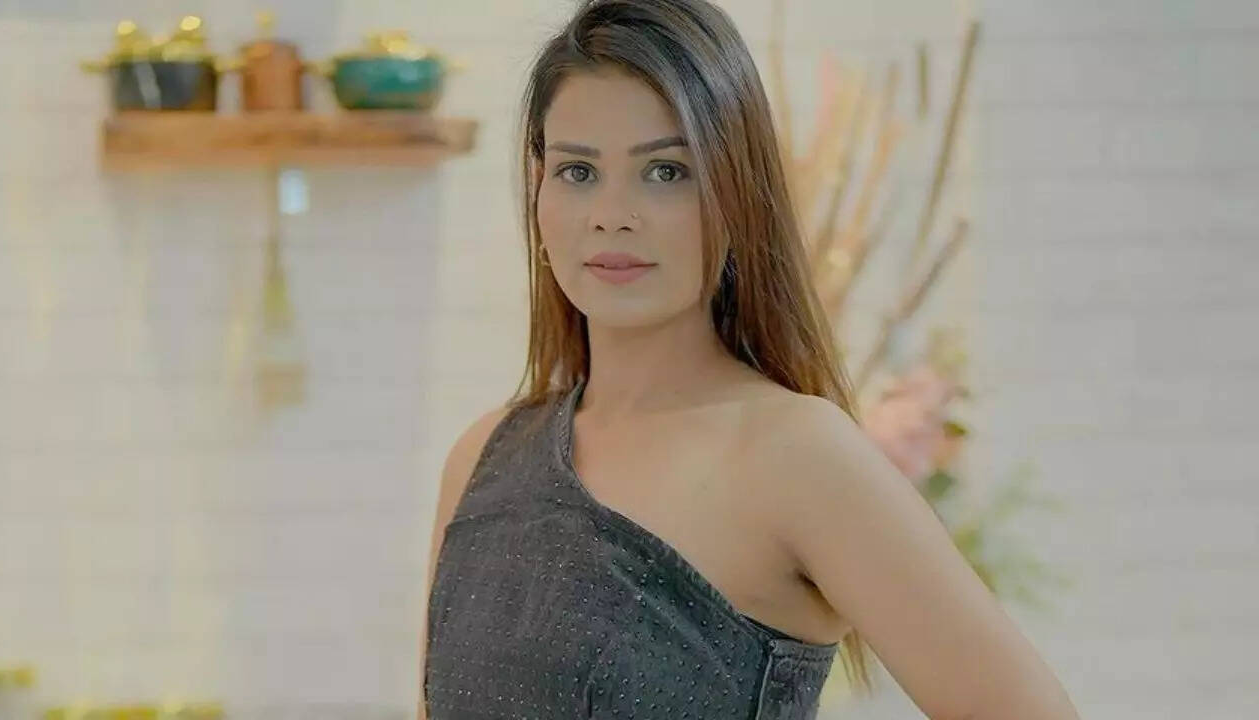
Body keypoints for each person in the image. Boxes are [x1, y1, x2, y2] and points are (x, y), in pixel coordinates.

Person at [417, 1, 1080, 718]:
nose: (611, 214)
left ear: (735, 192)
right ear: (537, 186)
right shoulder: (484, 457)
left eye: (666, 171)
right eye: (578, 171)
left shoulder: (797, 456)